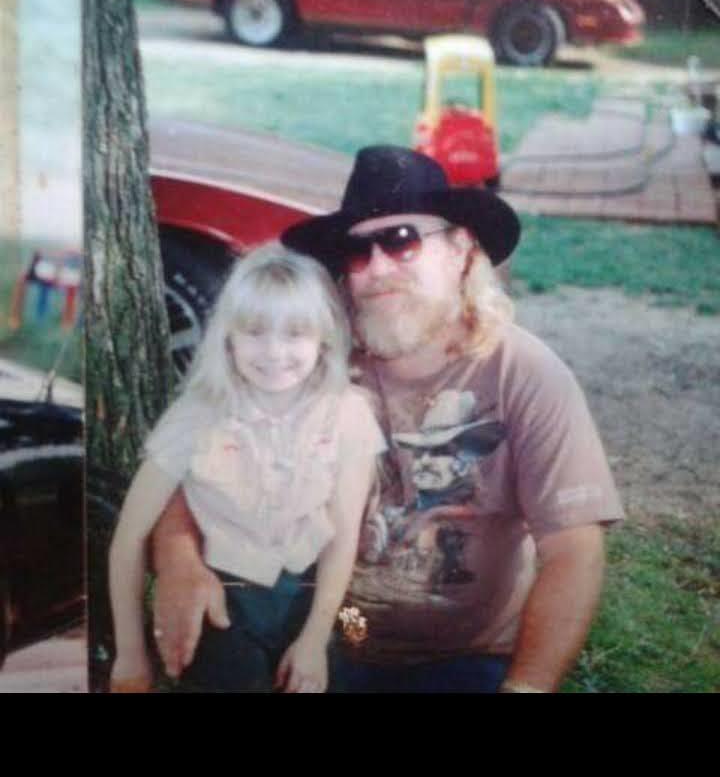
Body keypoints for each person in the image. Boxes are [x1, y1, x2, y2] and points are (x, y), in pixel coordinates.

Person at [150, 146, 623, 694]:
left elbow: (573, 551)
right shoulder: (313, 357)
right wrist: (178, 558)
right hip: (335, 629)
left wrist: (527, 689)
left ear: (460, 250)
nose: (376, 269)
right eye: (357, 252)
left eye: (401, 241)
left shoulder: (524, 373)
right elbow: (200, 462)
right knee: (235, 617)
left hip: (459, 652)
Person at [108, 241, 385, 693]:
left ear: (324, 338)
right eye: (255, 331)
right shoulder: (196, 415)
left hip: (321, 597)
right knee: (234, 676)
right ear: (228, 337)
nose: (274, 351)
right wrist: (129, 653)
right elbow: (128, 539)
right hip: (226, 598)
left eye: (295, 333)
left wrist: (313, 641)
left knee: (358, 644)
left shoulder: (348, 414)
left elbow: (344, 538)